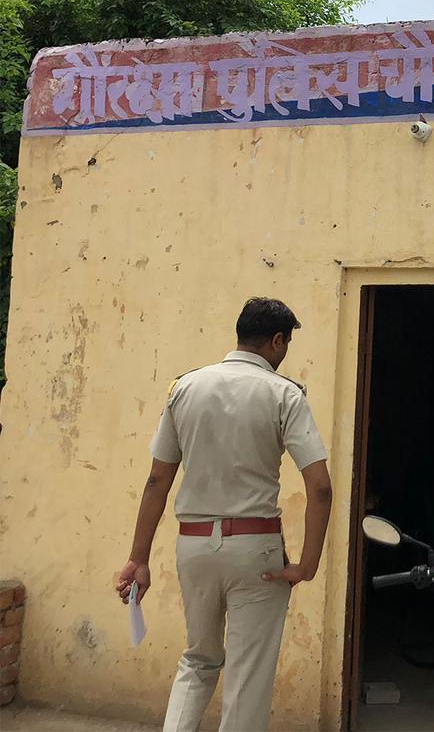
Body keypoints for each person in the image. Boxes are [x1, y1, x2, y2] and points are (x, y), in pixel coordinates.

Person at [114, 297, 333, 732]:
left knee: (198, 660)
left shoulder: (186, 388)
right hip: (256, 549)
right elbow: (320, 487)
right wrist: (306, 565)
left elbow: (157, 481)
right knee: (247, 677)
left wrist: (138, 558)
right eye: (285, 343)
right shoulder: (284, 393)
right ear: (275, 341)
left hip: (193, 545)